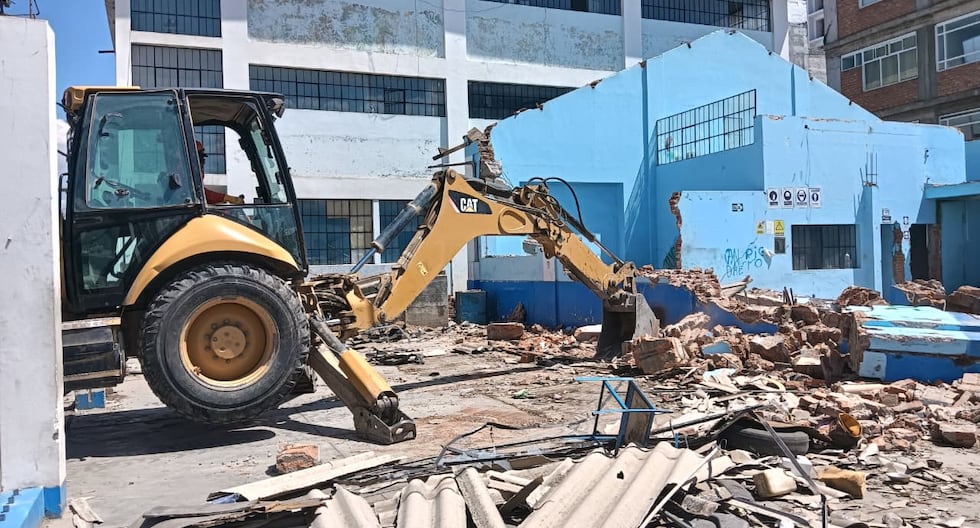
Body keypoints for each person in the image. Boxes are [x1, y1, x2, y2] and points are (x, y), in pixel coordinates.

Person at [196, 140, 244, 205]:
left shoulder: (195, 170)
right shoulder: (185, 171)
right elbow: (199, 193)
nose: (202, 162)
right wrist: (227, 198)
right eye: (200, 156)